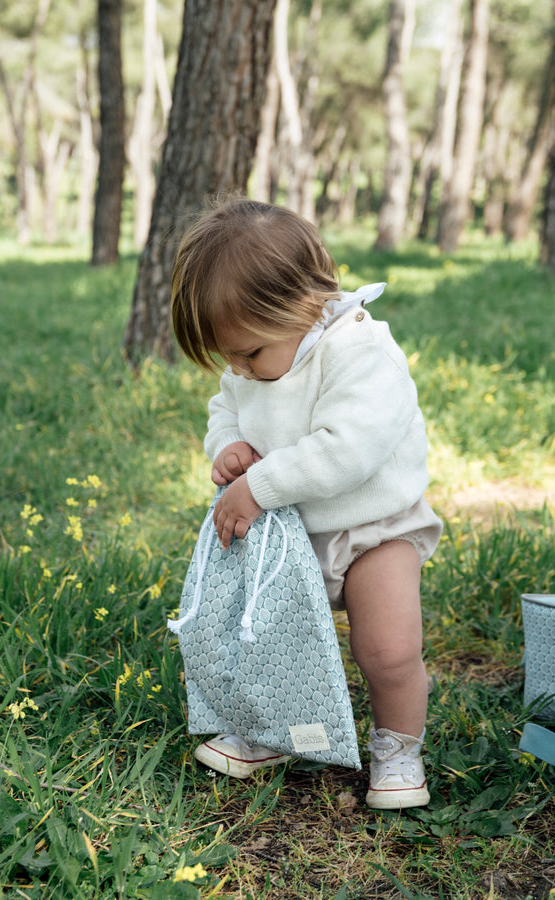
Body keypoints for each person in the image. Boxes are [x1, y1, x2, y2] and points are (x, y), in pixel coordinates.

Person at [170, 196, 443, 810]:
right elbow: (226, 408)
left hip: (375, 526)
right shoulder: (253, 359)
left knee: (389, 650)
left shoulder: (361, 353)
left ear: (305, 306)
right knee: (266, 639)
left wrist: (259, 487)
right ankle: (271, 730)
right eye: (228, 357)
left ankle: (399, 750)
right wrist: (230, 447)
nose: (238, 368)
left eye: (248, 353)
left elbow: (348, 448)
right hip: (293, 535)